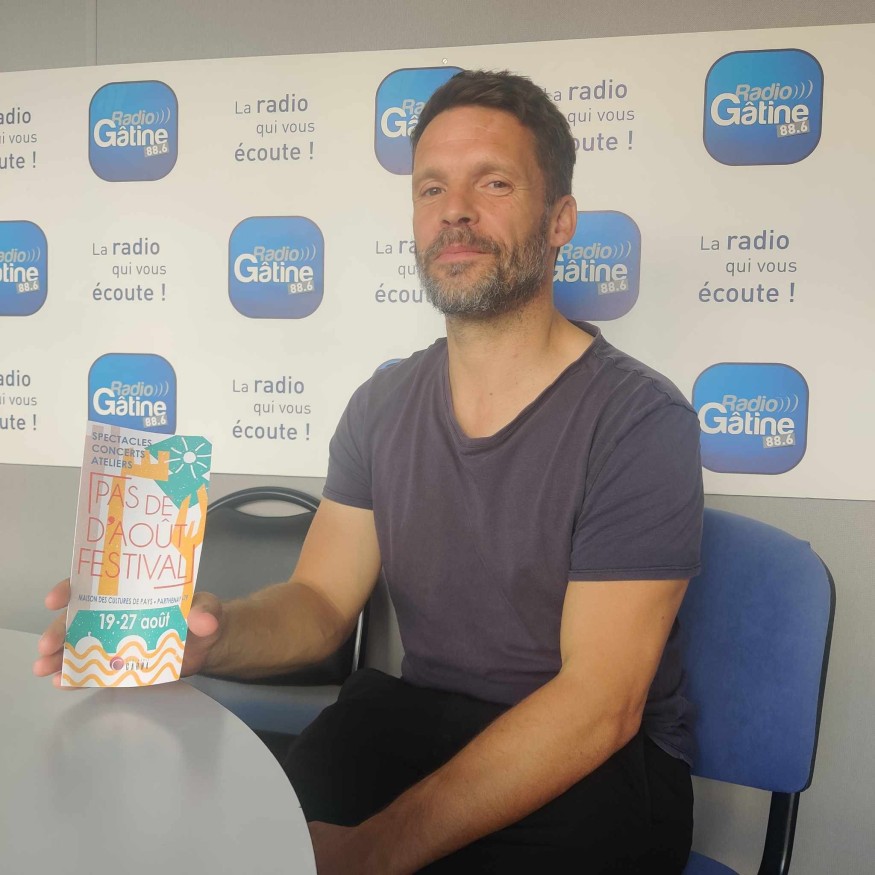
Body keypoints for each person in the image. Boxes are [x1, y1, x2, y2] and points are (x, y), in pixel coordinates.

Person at [35, 70, 704, 874]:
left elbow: (598, 702)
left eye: (492, 182)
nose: (455, 210)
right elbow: (320, 604)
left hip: (592, 759)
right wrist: (206, 637)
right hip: (419, 718)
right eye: (431, 188)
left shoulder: (639, 421)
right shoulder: (383, 404)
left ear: (560, 219)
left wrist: (374, 850)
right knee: (235, 835)